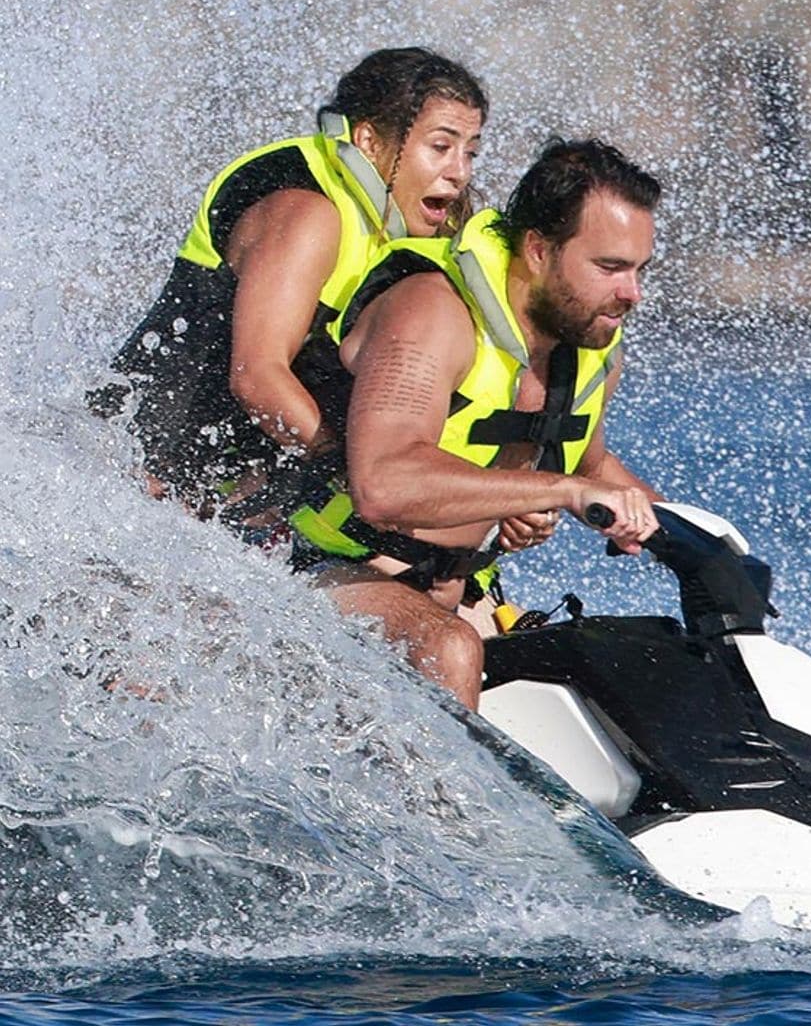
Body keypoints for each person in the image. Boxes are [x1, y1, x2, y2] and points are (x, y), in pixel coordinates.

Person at [285, 137, 664, 710]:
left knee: (619, 669)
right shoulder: (431, 313)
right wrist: (558, 491)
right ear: (538, 251)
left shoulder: (592, 344)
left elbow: (590, 466)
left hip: (462, 589)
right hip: (313, 572)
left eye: (638, 270)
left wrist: (698, 543)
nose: (631, 293)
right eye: (609, 267)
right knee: (451, 650)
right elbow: (384, 485)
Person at [89, 48, 487, 533]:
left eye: (470, 151)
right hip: (126, 477)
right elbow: (256, 377)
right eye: (440, 147)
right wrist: (353, 475)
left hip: (212, 503)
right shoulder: (307, 214)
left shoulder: (402, 236)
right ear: (368, 140)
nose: (460, 172)